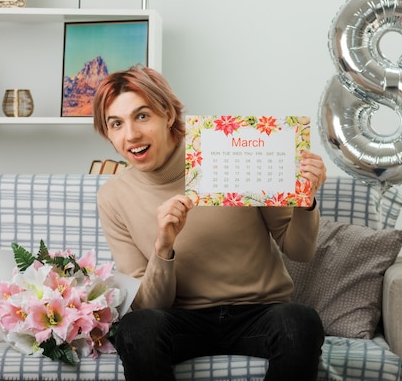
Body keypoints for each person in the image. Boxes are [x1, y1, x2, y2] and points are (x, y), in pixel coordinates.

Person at [92, 65, 327, 381]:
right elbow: (149, 306)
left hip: (260, 313)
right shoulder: (113, 196)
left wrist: (305, 200)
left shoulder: (231, 149)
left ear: (168, 115)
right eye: (116, 124)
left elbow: (299, 251)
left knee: (299, 320)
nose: (131, 134)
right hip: (181, 321)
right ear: (107, 133)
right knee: (136, 327)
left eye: (142, 116)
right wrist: (164, 247)